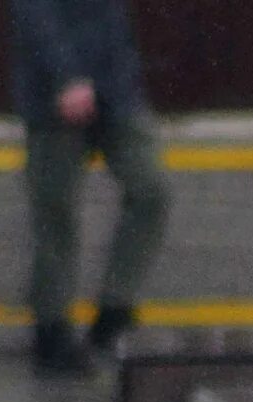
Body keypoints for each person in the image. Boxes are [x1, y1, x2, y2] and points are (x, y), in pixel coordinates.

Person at [12, 0, 169, 373]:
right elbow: (34, 13)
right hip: (53, 96)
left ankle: (114, 311)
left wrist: (122, 77)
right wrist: (66, 76)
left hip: (116, 90)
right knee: (55, 210)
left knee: (151, 190)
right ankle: (51, 328)